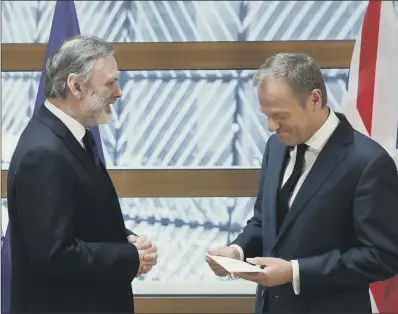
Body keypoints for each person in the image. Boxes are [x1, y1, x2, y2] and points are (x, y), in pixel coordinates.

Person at [206, 52, 398, 313]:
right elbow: (264, 221)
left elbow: (382, 256)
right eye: (266, 115)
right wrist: (237, 252)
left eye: (280, 115)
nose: (271, 126)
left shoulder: (368, 163)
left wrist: (295, 272)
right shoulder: (276, 146)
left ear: (315, 99)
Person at [7, 35, 158, 313]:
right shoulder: (44, 154)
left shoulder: (71, 136)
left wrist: (125, 240)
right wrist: (127, 258)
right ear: (75, 86)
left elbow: (81, 217)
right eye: (110, 82)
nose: (119, 91)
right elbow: (54, 255)